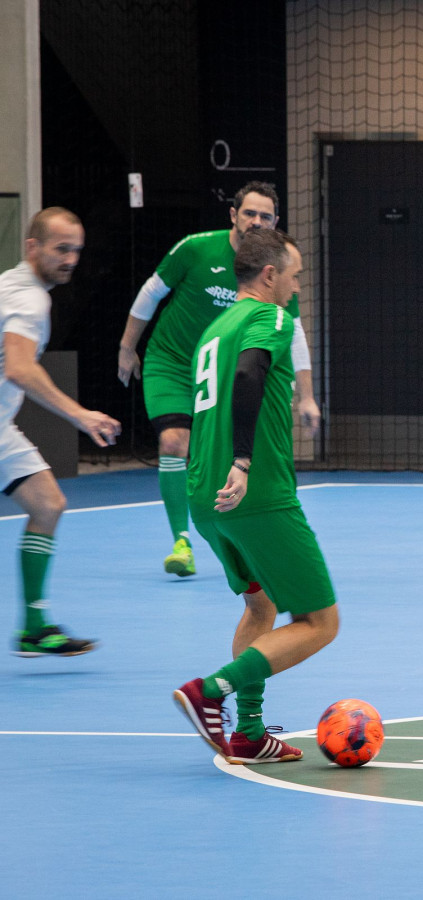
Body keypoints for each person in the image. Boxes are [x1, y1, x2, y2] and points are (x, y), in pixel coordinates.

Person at [172, 230, 338, 765]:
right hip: (256, 493)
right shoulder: (271, 318)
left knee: (260, 603)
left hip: (204, 495)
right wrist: (243, 462)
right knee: (321, 622)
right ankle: (209, 692)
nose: (296, 286)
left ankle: (247, 732)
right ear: (269, 275)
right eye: (293, 275)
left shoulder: (214, 328)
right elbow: (249, 373)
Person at [117, 181, 320, 579]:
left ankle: (234, 531)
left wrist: (308, 396)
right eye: (249, 213)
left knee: (220, 450)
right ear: (233, 215)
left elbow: (294, 332)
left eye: (265, 216)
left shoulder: (277, 270)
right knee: (174, 441)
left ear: (276, 221)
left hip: (225, 368)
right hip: (173, 362)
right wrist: (127, 346)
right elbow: (150, 292)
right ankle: (181, 541)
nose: (256, 221)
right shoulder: (196, 249)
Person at [1, 208, 121, 656]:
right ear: (32, 247)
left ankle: (34, 628)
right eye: (61, 249)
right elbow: (19, 368)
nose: (70, 259)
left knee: (47, 504)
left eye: (76, 250)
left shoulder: (11, 285)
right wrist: (79, 415)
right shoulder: (29, 299)